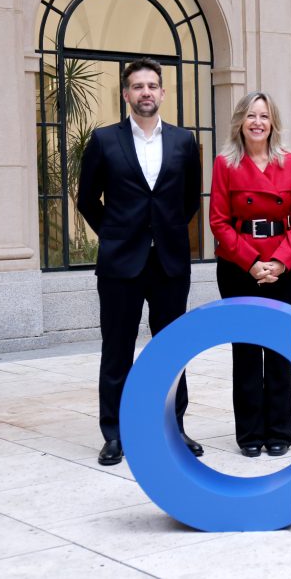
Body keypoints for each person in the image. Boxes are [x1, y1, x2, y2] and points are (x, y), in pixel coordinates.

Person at [77, 57, 204, 466]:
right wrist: (115, 234)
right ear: (126, 94)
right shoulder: (104, 140)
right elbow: (86, 199)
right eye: (137, 86)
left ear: (162, 93)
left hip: (169, 262)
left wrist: (165, 232)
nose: (145, 92)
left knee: (172, 350)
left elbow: (189, 200)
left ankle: (173, 429)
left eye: (151, 86)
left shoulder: (183, 141)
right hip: (120, 264)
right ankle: (115, 434)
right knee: (117, 350)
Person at [209, 91, 291, 458]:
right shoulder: (225, 163)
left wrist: (281, 261)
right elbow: (218, 221)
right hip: (238, 266)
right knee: (247, 351)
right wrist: (251, 262)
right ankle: (250, 433)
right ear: (240, 121)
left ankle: (280, 430)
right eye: (251, 116)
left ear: (273, 123)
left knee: (279, 351)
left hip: (283, 266)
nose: (257, 122)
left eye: (264, 116)